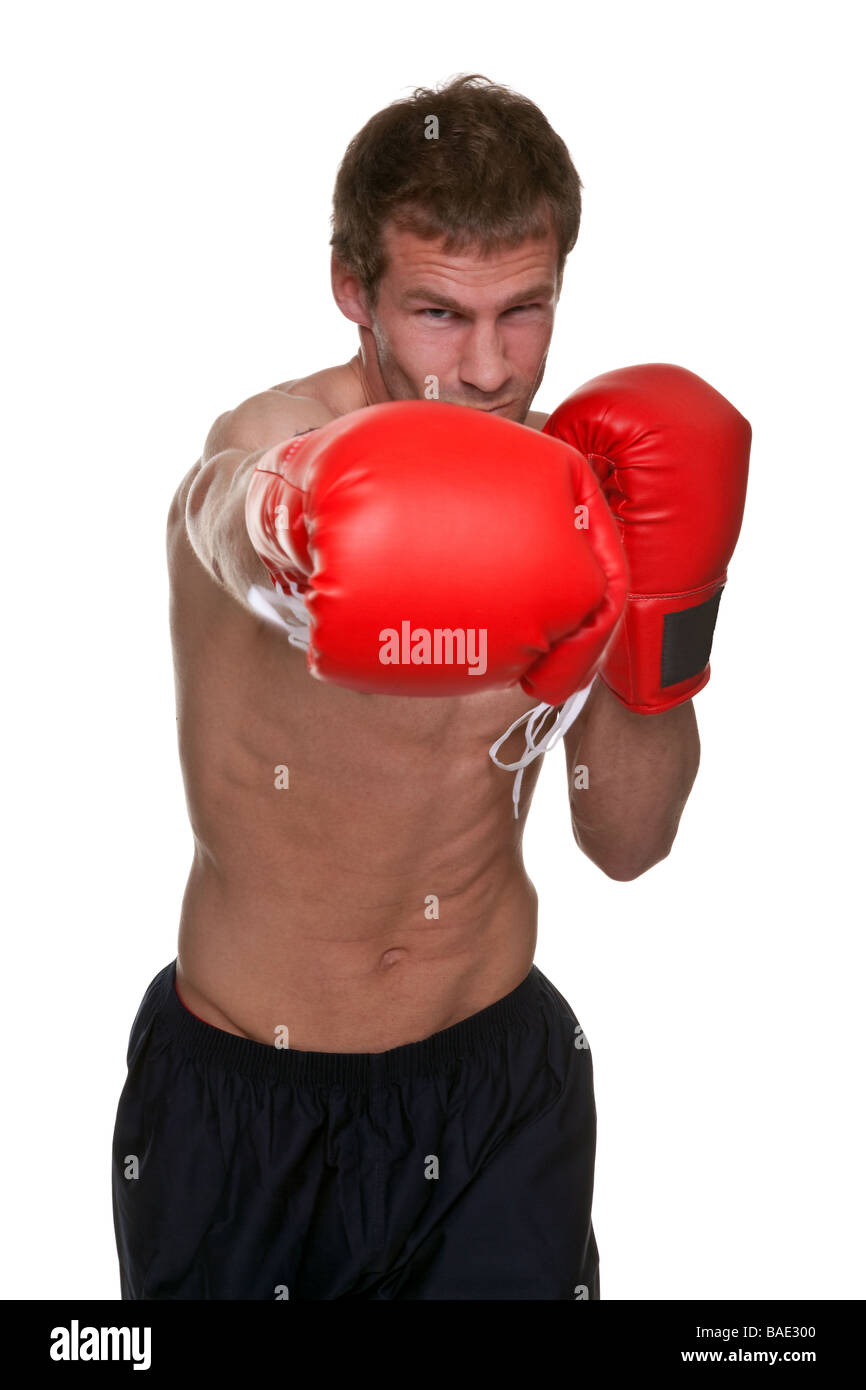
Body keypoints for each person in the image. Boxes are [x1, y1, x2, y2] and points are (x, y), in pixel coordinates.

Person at [112, 74, 749, 1300]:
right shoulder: (281, 436)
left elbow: (626, 842)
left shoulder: (586, 490)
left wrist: (658, 620)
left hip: (499, 1086)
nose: (486, 367)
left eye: (523, 312)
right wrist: (291, 517)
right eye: (438, 315)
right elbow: (219, 508)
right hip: (253, 1107)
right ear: (353, 291)